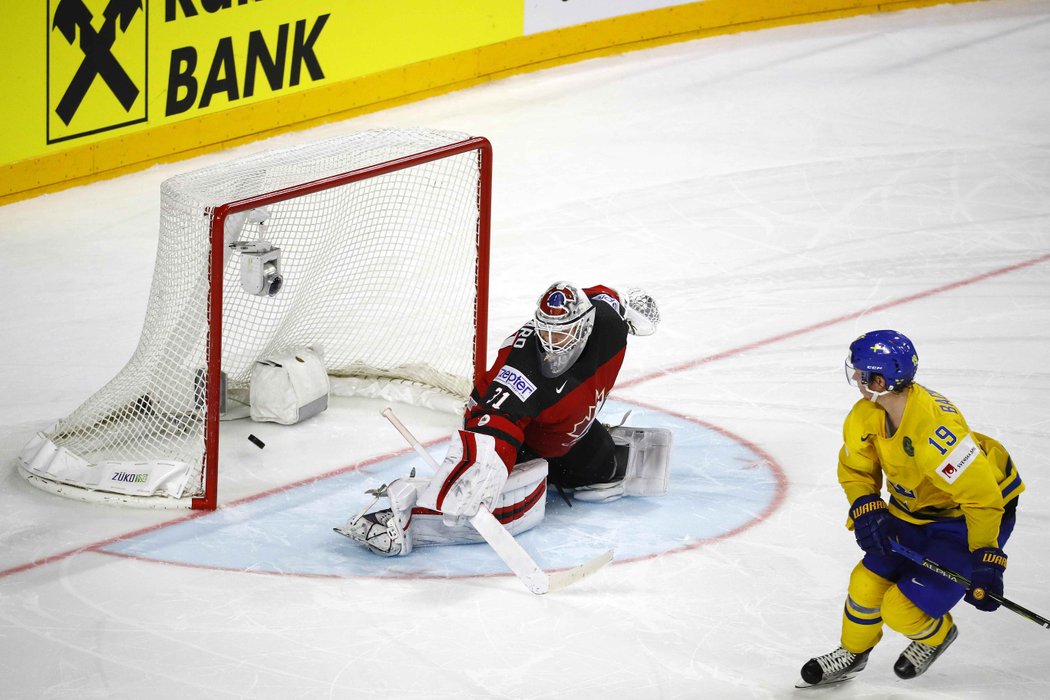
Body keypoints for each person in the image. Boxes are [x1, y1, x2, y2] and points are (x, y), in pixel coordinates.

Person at [339, 281, 669, 556]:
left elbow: (608, 297)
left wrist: (635, 310)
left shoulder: (607, 322)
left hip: (562, 433)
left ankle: (571, 459)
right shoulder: (520, 373)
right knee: (485, 495)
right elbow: (495, 425)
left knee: (605, 472)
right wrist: (485, 469)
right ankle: (405, 516)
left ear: (585, 325)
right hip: (508, 430)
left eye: (562, 334)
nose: (552, 345)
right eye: (546, 333)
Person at [799, 330, 1025, 686]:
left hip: (965, 519)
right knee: (864, 584)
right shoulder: (865, 415)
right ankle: (853, 652)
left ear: (881, 379)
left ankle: (936, 636)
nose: (856, 379)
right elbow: (856, 469)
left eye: (861, 373)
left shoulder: (935, 436)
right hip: (914, 510)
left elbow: (982, 499)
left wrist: (986, 558)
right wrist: (867, 504)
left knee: (901, 609)